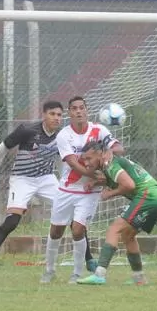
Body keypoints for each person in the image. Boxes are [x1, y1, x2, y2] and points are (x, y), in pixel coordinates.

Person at [0, 101, 65, 280]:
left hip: (46, 179)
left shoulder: (61, 137)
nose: (56, 118)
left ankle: (90, 262)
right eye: (52, 114)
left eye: (59, 115)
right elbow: (3, 147)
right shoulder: (27, 130)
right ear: (44, 115)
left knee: (71, 211)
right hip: (22, 179)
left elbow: (64, 160)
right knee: (12, 222)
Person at [43, 96, 124, 284]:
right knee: (56, 231)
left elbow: (119, 148)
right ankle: (49, 270)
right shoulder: (64, 135)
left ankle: (77, 274)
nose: (78, 111)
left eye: (81, 108)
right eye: (74, 109)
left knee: (78, 230)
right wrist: (94, 174)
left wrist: (110, 152)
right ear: (69, 113)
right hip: (67, 189)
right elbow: (71, 162)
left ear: (87, 110)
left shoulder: (100, 130)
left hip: (89, 192)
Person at [76, 141, 157, 286]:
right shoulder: (110, 164)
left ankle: (99, 274)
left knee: (115, 229)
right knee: (128, 235)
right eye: (84, 160)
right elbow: (117, 180)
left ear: (100, 154)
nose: (86, 163)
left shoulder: (110, 164)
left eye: (89, 158)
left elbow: (129, 185)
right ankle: (139, 278)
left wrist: (110, 194)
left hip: (148, 196)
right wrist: (95, 183)